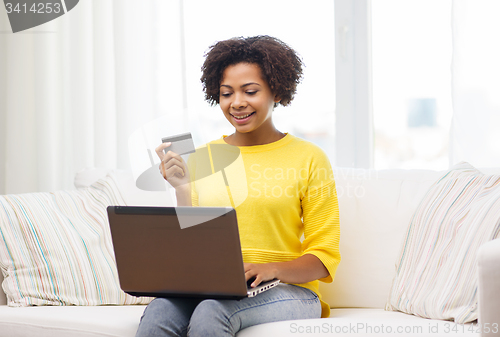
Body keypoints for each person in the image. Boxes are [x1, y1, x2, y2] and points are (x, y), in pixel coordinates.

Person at [136, 35, 340, 337]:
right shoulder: (203, 157)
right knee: (159, 311)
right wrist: (182, 188)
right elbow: (193, 243)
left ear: (277, 91)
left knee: (212, 311)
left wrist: (272, 268)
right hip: (212, 285)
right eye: (226, 93)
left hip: (288, 290)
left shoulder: (309, 157)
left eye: (250, 91)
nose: (237, 103)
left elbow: (324, 257)